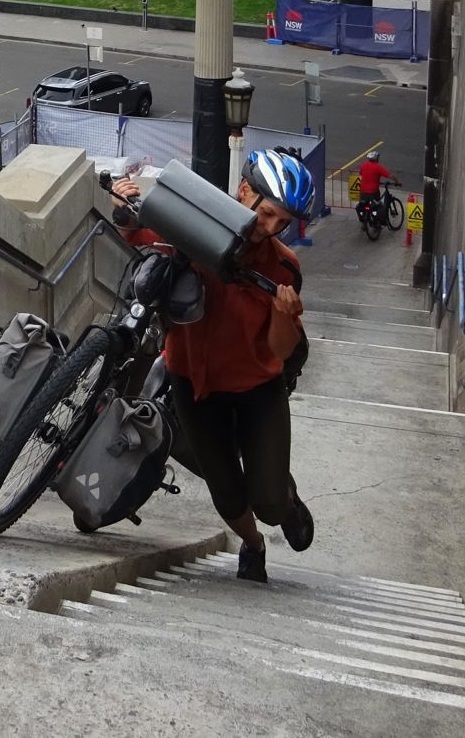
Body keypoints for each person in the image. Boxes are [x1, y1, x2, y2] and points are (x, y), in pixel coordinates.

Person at [123, 152, 314, 583]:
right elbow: (140, 231)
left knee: (269, 504)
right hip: (193, 381)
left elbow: (280, 349)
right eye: (267, 213)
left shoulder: (283, 266)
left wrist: (284, 314)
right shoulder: (197, 225)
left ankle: (284, 496)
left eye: (282, 222)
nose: (270, 228)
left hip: (256, 386)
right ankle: (253, 545)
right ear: (244, 192)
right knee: (226, 492)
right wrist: (123, 202)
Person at [357, 149, 394, 222]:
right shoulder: (378, 167)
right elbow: (390, 176)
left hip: (363, 191)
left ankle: (364, 220)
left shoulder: (363, 165)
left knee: (364, 205)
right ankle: (377, 221)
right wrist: (397, 181)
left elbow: (361, 173)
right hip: (373, 192)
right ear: (376, 159)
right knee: (377, 205)